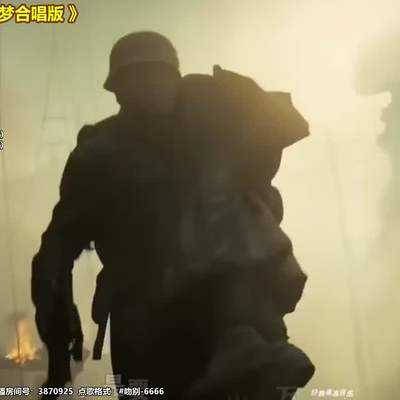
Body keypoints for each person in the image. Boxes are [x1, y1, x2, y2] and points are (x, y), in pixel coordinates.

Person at [31, 31, 314, 400]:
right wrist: (58, 342)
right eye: (139, 79)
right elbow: (55, 253)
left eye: (159, 77)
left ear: (175, 81)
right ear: (119, 91)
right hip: (147, 319)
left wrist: (229, 92)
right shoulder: (99, 156)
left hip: (231, 318)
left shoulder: (213, 130)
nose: (151, 87)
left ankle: (252, 340)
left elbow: (278, 134)